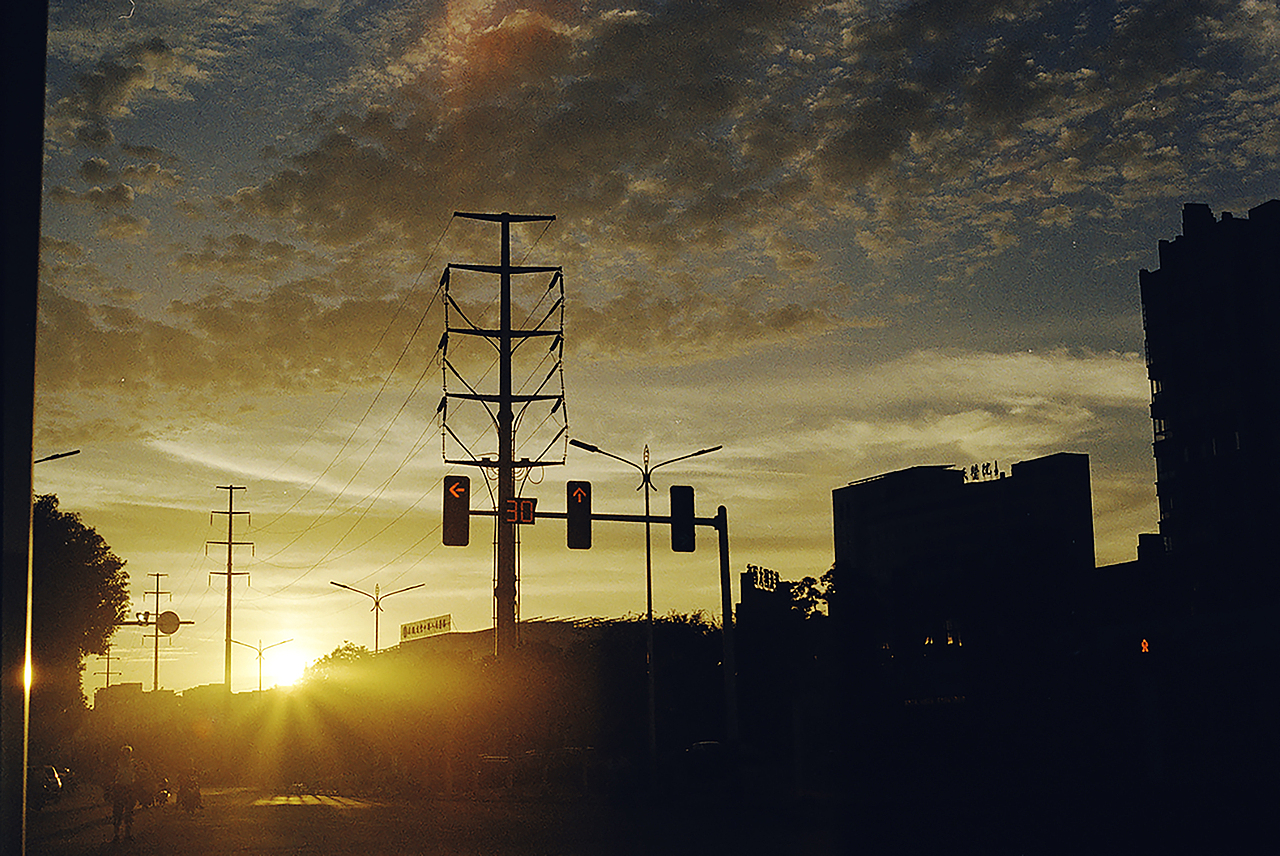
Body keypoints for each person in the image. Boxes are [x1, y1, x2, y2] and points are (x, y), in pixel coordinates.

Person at [110, 745, 137, 842]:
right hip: (119, 787)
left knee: (128, 812)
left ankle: (127, 834)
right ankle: (117, 834)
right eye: (125, 752)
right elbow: (112, 776)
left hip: (128, 788)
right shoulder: (117, 764)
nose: (126, 755)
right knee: (118, 812)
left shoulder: (133, 764)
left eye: (128, 753)